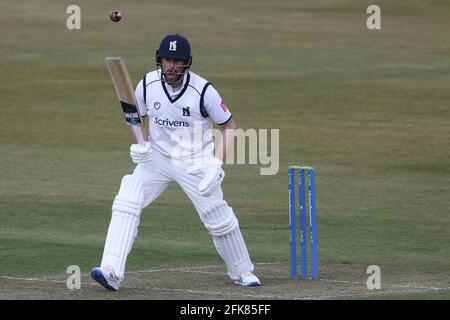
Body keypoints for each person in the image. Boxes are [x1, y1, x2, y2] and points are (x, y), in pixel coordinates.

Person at [91, 34, 261, 290]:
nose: (171, 66)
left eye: (177, 61)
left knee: (218, 217)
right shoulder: (147, 84)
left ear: (186, 63)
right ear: (160, 60)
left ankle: (242, 271)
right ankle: (111, 270)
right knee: (128, 196)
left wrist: (216, 164)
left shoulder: (203, 90)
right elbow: (137, 119)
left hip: (195, 160)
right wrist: (142, 145)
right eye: (167, 60)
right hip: (158, 159)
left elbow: (229, 126)